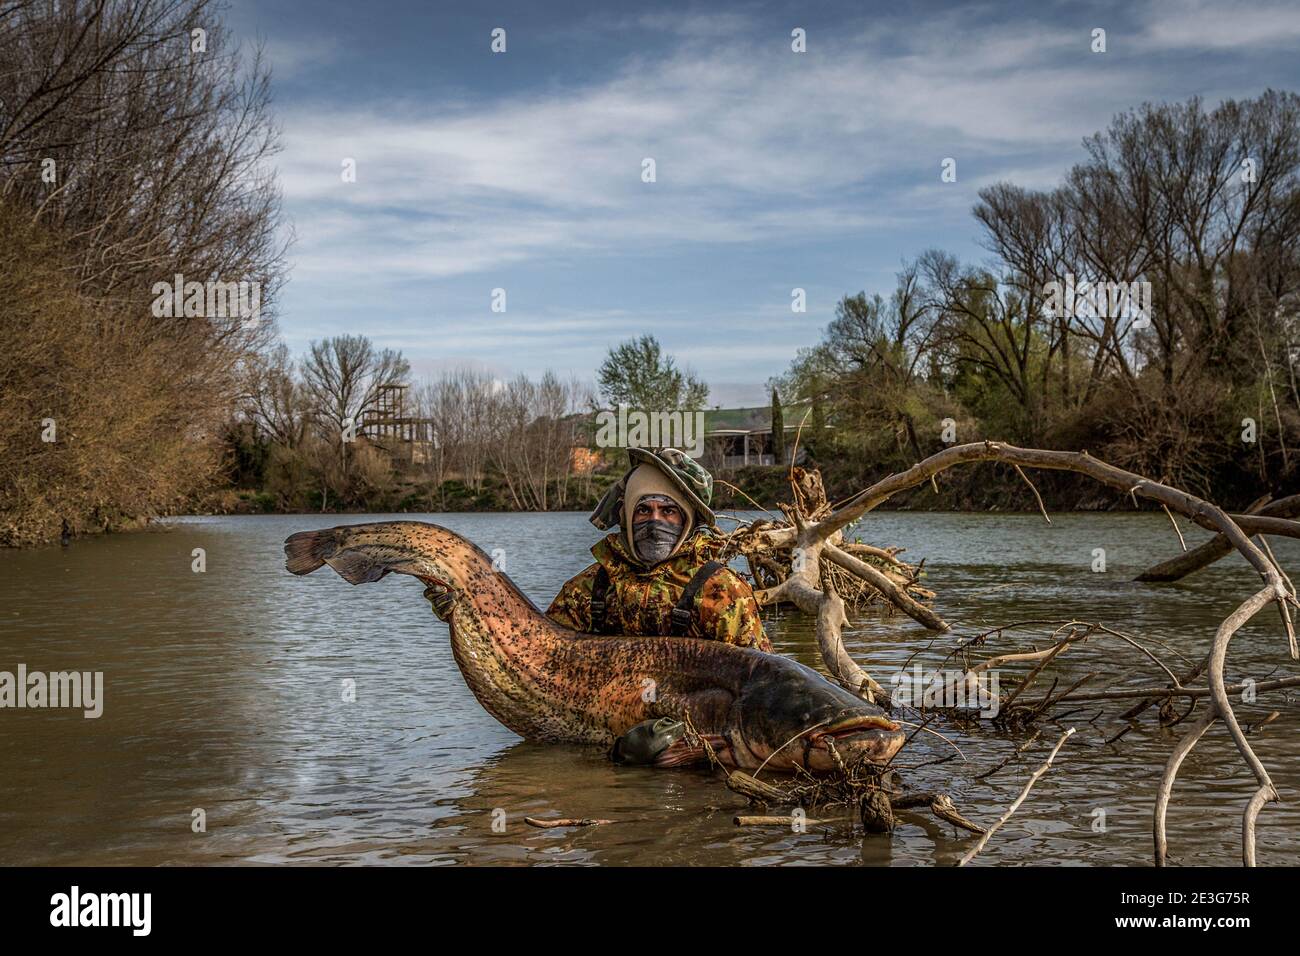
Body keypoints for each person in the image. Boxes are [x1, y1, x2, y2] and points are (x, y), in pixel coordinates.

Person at [545, 447, 770, 650]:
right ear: (627, 517)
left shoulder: (723, 591)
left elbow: (759, 679)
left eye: (668, 511)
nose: (655, 522)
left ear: (687, 520)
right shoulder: (587, 588)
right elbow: (539, 658)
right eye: (643, 510)